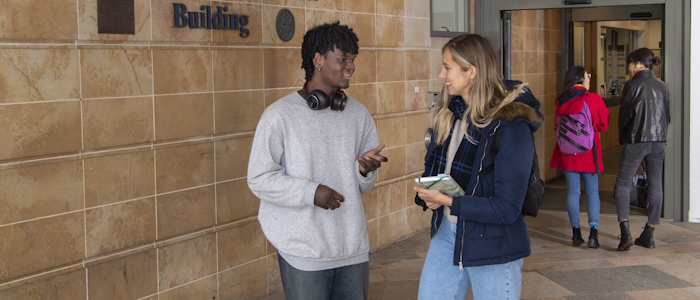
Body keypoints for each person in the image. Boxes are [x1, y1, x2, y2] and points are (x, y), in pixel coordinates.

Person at [247, 22, 388, 300]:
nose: (351, 66)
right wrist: (310, 192)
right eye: (342, 59)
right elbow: (259, 178)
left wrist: (364, 171)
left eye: (353, 59)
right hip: (304, 253)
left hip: (351, 249)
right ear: (318, 60)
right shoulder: (279, 116)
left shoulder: (358, 114)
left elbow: (364, 185)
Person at [413, 34, 542, 300]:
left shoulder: (511, 125)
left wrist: (447, 199)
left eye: (447, 67)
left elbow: (507, 208)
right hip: (449, 233)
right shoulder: (453, 115)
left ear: (471, 72)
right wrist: (431, 194)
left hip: (493, 243)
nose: (441, 73)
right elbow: (441, 173)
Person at [614, 47, 670, 251]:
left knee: (622, 183)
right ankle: (649, 233)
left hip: (636, 139)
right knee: (656, 185)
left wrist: (622, 139)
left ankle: (625, 232)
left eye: (630, 63)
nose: (629, 68)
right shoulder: (662, 86)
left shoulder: (632, 85)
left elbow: (625, 117)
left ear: (638, 63)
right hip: (659, 141)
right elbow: (667, 117)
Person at [550, 66, 610, 248]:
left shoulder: (561, 101)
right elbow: (603, 124)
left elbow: (556, 127)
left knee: (573, 192)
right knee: (592, 192)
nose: (589, 79)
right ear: (581, 79)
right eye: (587, 76)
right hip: (588, 154)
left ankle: (576, 234)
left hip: (568, 154)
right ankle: (593, 234)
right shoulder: (593, 99)